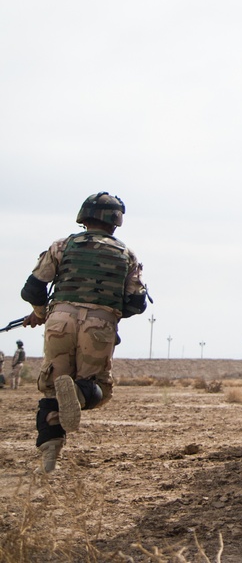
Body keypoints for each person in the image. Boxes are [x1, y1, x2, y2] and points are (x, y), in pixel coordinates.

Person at [20, 192, 148, 472]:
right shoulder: (126, 254)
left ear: (84, 217)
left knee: (53, 388)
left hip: (59, 320)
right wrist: (108, 312)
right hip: (100, 324)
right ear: (116, 221)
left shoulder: (62, 246)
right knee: (99, 385)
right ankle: (78, 394)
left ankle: (49, 460)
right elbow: (136, 304)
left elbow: (32, 289)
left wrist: (41, 313)